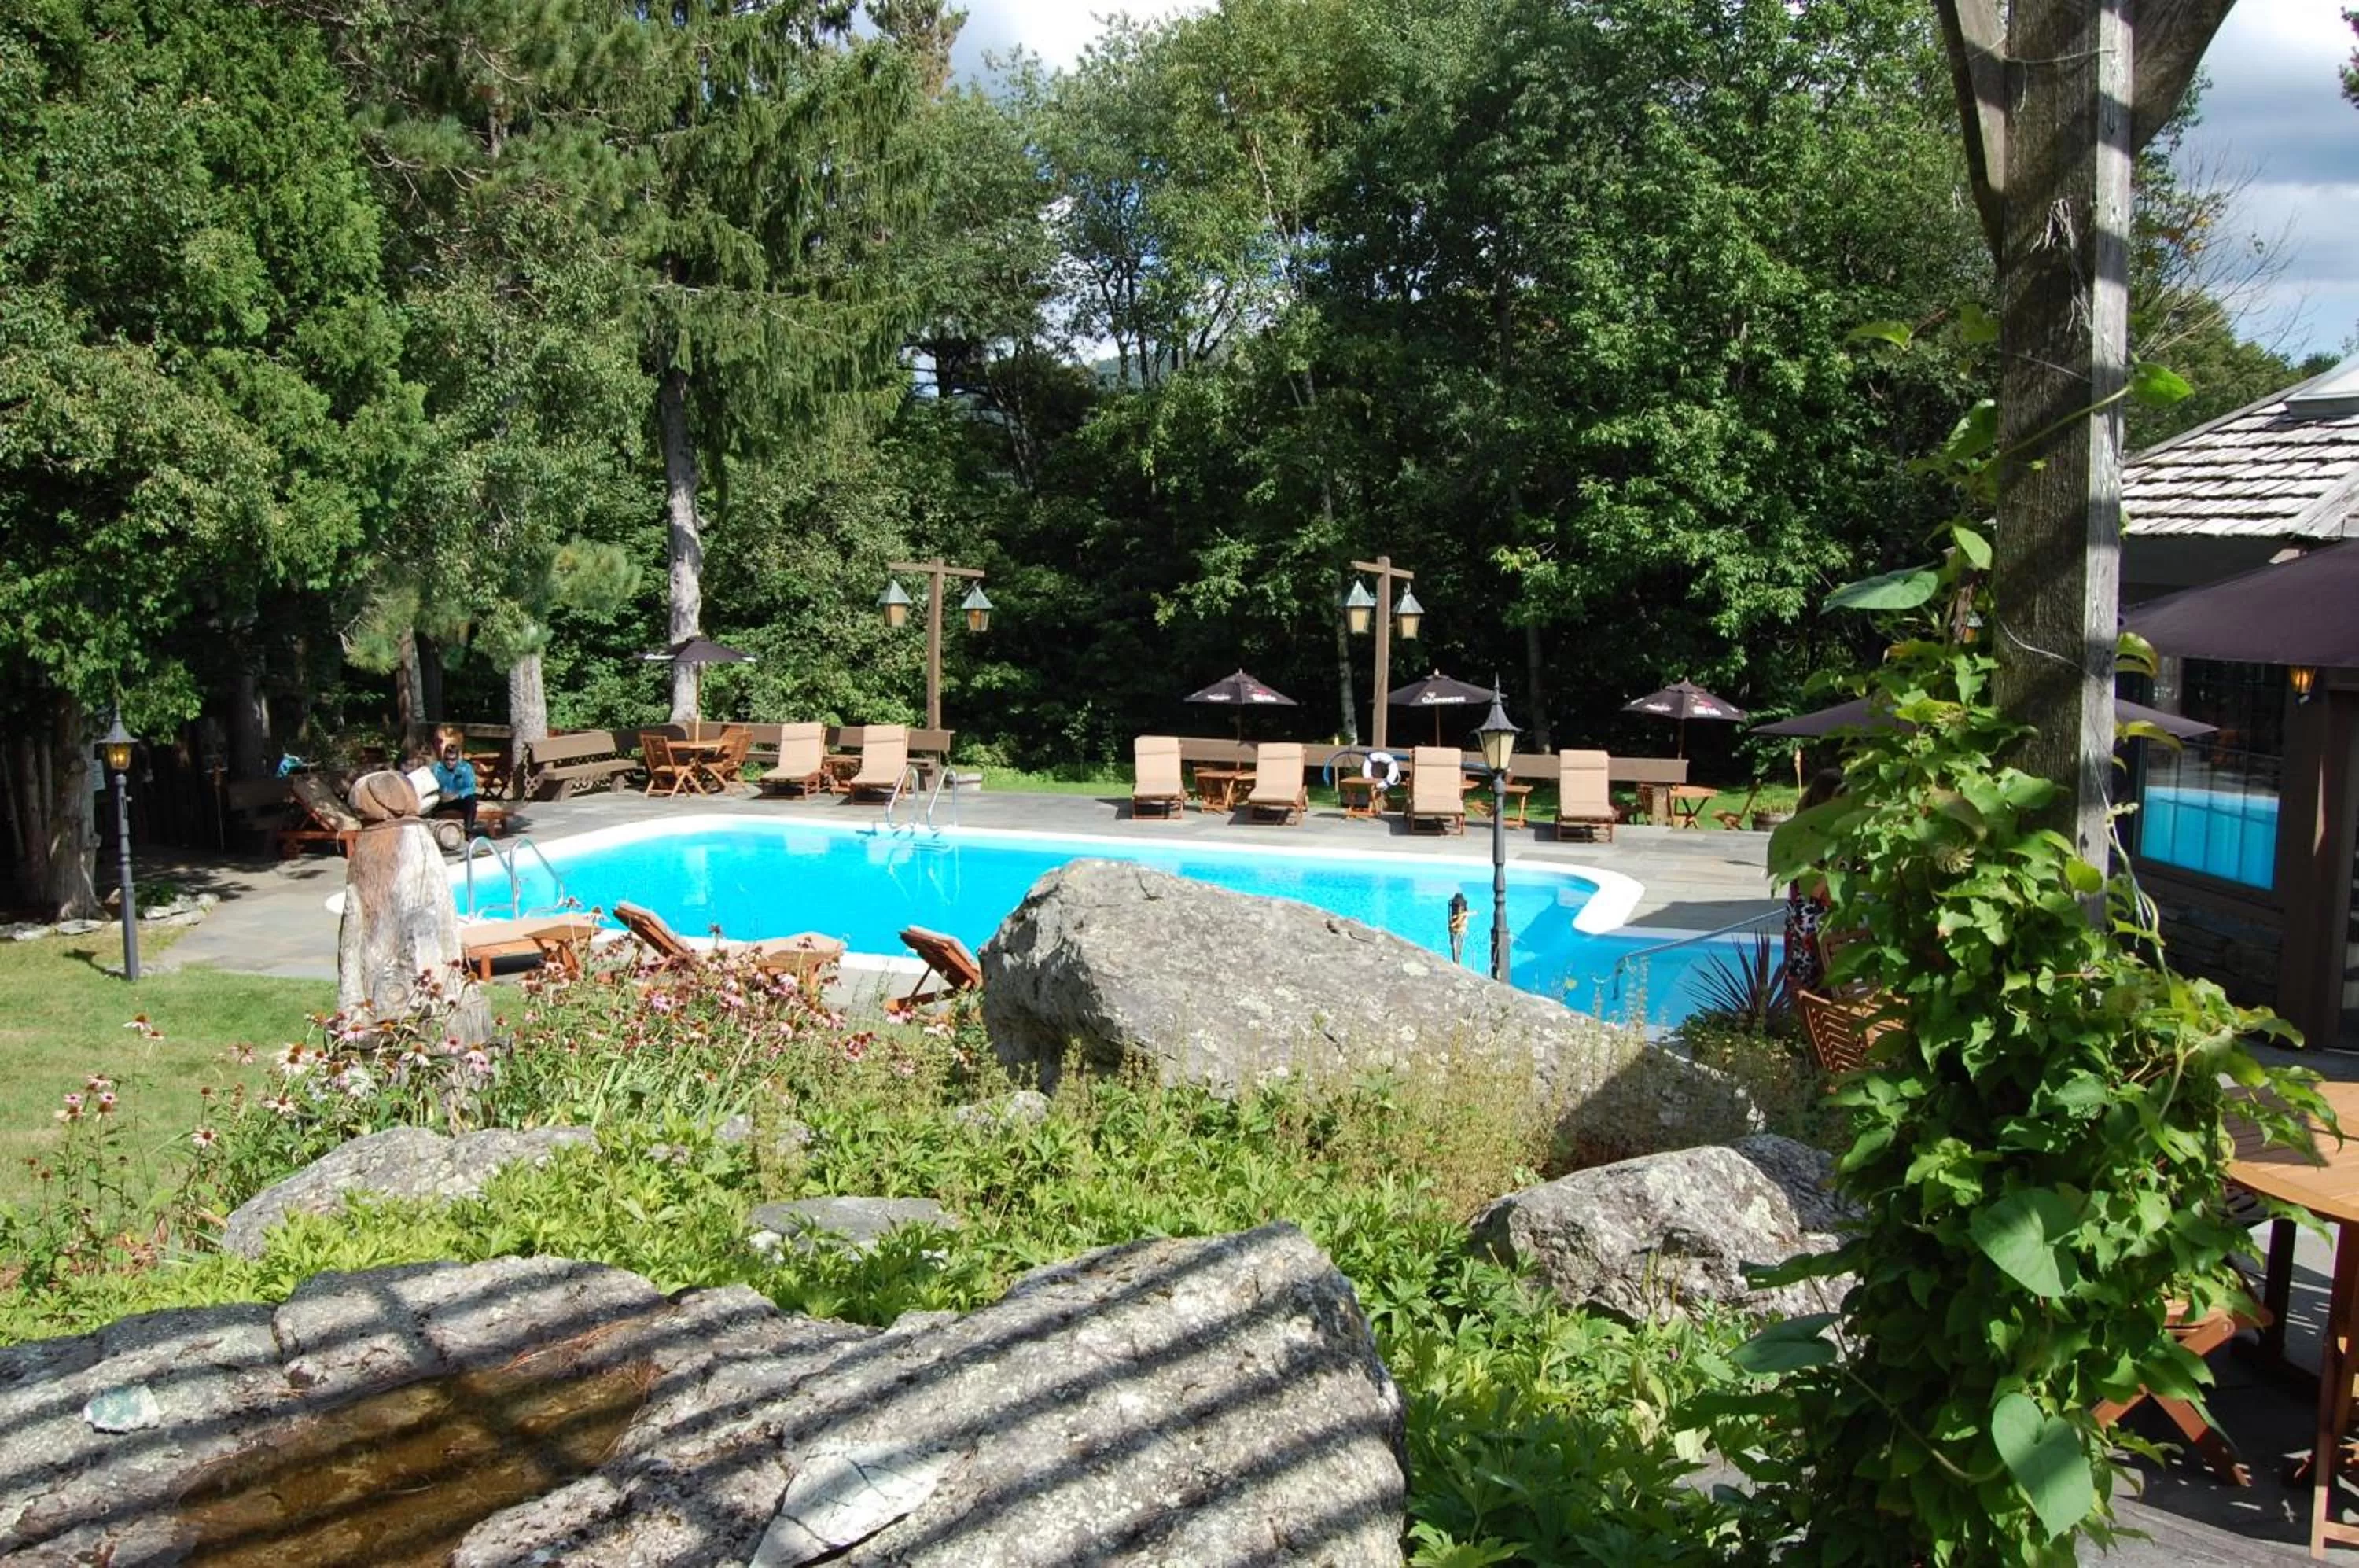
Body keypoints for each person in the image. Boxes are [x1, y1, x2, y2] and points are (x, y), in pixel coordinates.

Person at [1783, 767, 1846, 992]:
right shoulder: (1805, 833)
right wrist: (1841, 857)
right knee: (1809, 980)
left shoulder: (1835, 830)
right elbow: (1813, 889)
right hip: (1810, 916)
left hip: (1821, 916)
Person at [427, 726, 480, 835]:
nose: (449, 762)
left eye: (452, 760)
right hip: (441, 799)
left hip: (458, 799)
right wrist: (439, 794)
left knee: (471, 800)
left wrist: (456, 795)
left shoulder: (465, 768)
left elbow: (471, 788)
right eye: (447, 759)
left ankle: (468, 831)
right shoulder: (437, 768)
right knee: (428, 802)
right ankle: (429, 829)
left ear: (457, 759)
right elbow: (430, 785)